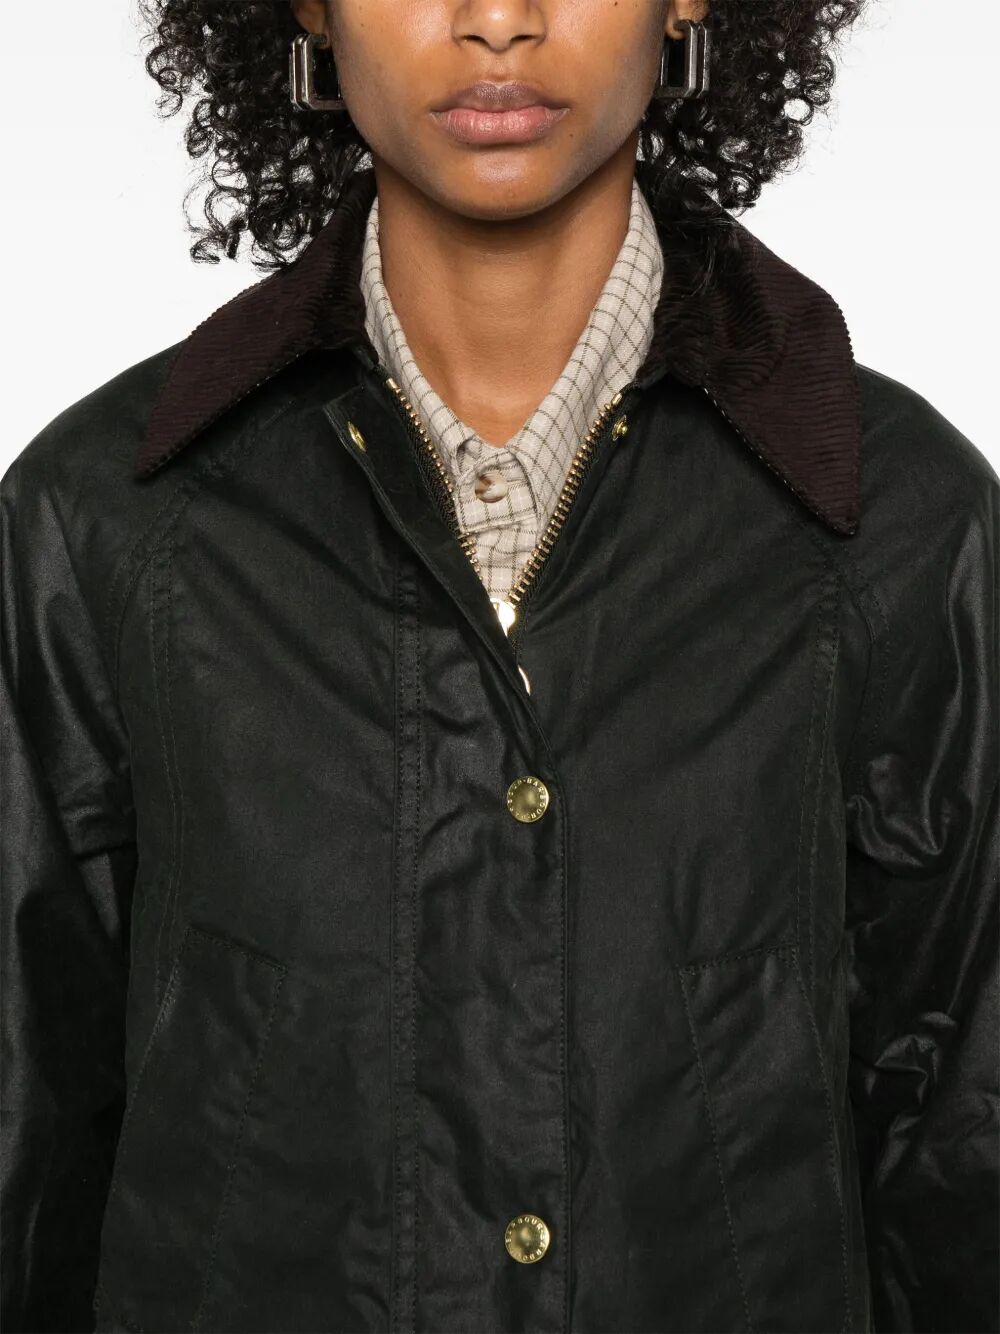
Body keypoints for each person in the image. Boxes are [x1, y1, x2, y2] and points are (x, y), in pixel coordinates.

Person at [2, 2, 997, 1332]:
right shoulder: (106, 525)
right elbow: (28, 1131)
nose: (497, 21)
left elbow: (964, 1146)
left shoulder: (900, 526)